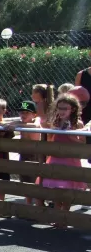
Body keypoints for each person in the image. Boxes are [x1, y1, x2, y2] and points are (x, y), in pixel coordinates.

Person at [42, 94, 86, 226]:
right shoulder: (56, 122)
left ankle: (64, 217)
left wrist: (70, 134)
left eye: (65, 108)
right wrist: (53, 131)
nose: (61, 111)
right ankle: (58, 216)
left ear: (72, 109)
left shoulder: (77, 124)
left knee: (67, 190)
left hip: (70, 160)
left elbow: (82, 143)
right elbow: (51, 139)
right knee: (56, 190)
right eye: (59, 108)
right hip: (56, 158)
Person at [6, 101, 41, 206]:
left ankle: (39, 204)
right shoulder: (22, 123)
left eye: (27, 112)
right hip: (24, 155)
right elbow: (12, 123)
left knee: (35, 181)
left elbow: (35, 125)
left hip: (34, 156)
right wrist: (14, 123)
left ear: (34, 114)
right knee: (25, 180)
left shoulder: (35, 122)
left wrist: (17, 124)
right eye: (21, 112)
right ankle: (28, 204)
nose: (23, 115)